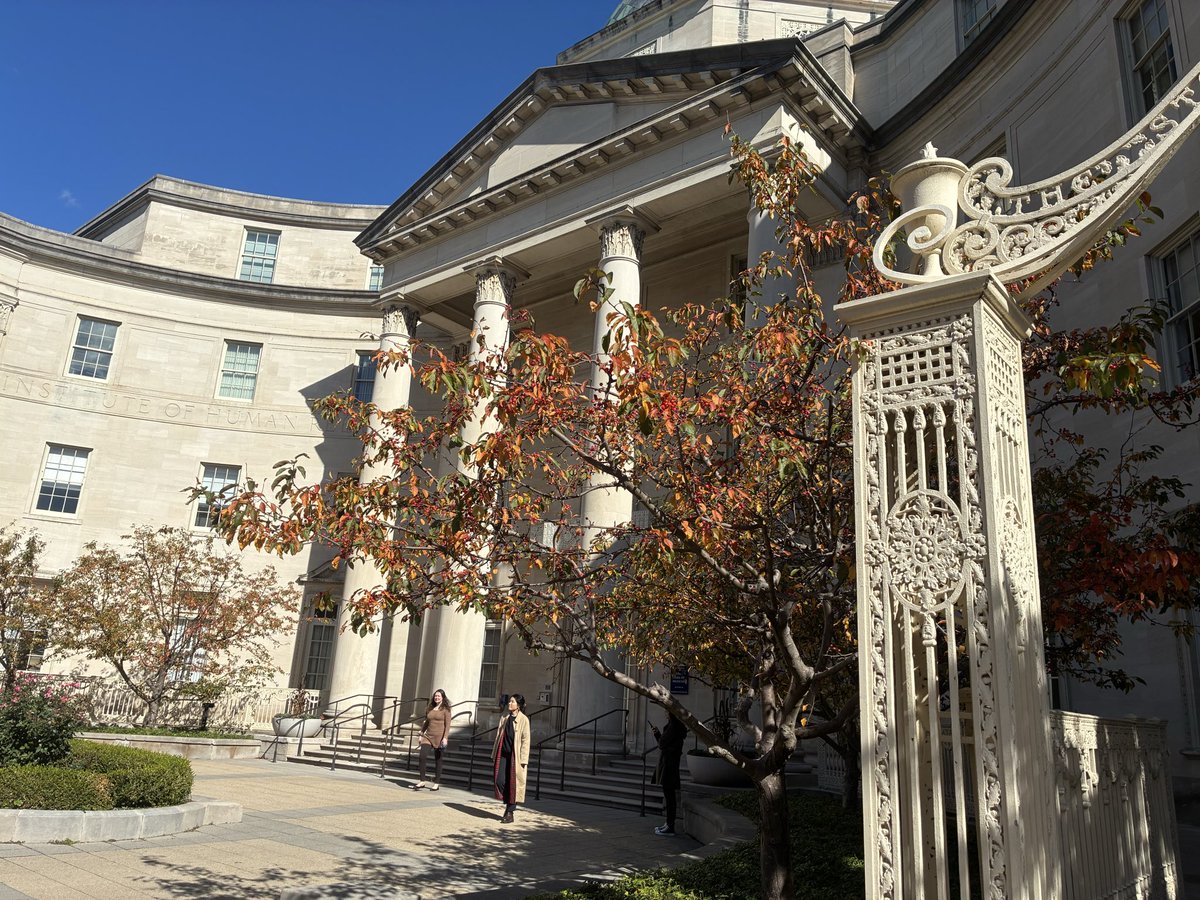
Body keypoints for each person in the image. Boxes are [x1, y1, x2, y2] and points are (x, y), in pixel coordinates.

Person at [492, 692, 530, 822]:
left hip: (516, 757)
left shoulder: (524, 720)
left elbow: (526, 741)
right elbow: (498, 736)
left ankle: (510, 812)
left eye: (512, 701)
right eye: (509, 701)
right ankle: (508, 804)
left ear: (518, 705)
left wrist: (523, 759)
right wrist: (494, 753)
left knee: (514, 784)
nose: (510, 703)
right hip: (503, 754)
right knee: (500, 781)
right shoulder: (505, 717)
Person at [650, 711, 686, 836]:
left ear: (671, 714)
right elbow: (663, 743)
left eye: (666, 711)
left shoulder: (673, 727)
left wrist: (658, 735)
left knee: (670, 796)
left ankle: (670, 826)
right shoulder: (674, 726)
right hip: (670, 763)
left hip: (669, 764)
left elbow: (662, 744)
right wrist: (658, 734)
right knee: (669, 795)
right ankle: (668, 824)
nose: (665, 713)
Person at [413, 688, 451, 791]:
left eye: (439, 696)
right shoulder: (430, 708)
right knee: (422, 756)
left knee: (438, 760)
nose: (436, 697)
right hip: (428, 736)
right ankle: (422, 781)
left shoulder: (446, 710)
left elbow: (447, 725)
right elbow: (427, 722)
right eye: (435, 696)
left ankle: (436, 783)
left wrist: (445, 738)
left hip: (439, 737)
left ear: (442, 698)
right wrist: (421, 733)